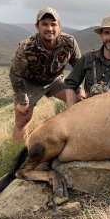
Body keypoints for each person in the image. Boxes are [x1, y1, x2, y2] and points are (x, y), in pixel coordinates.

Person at [9, 7, 82, 141]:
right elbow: (15, 73)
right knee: (22, 120)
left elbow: (78, 67)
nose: (49, 28)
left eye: (53, 24)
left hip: (55, 81)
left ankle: (77, 139)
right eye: (45, 24)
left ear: (59, 27)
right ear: (37, 26)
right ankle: (19, 156)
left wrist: (78, 89)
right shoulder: (26, 46)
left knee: (81, 101)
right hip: (30, 84)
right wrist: (22, 100)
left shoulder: (69, 42)